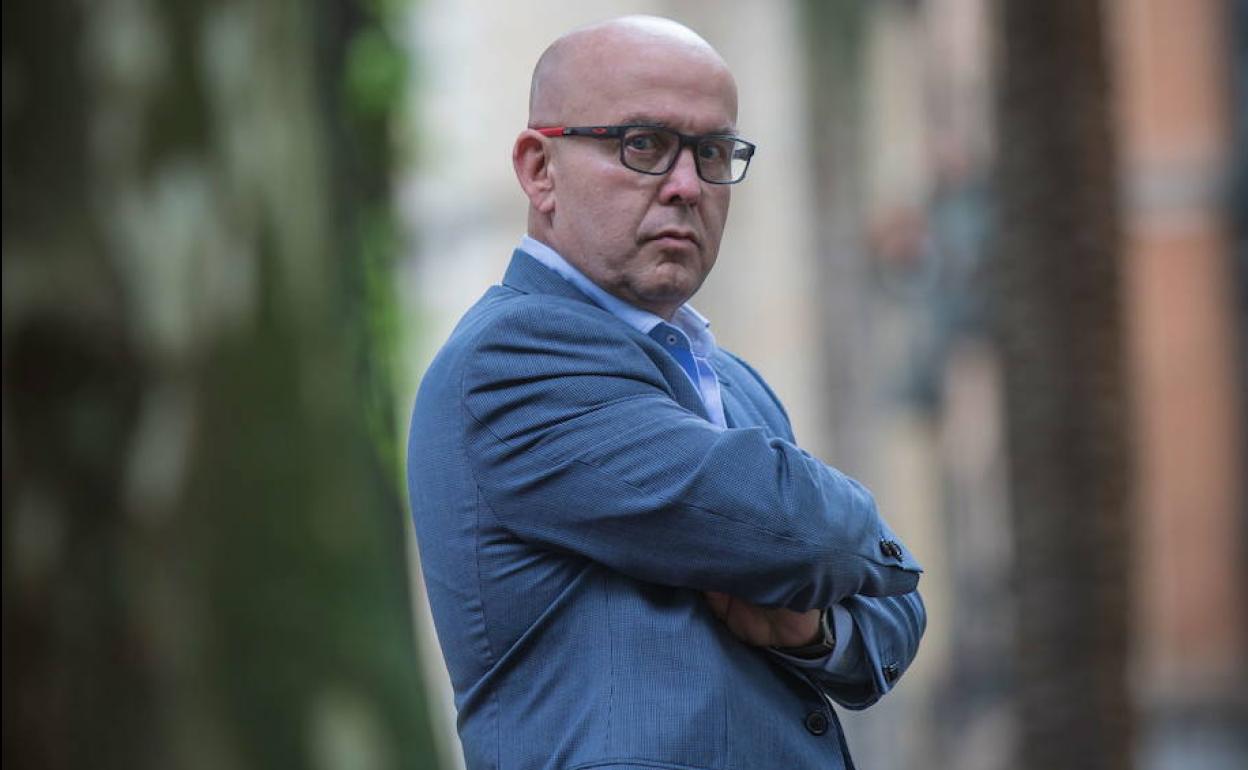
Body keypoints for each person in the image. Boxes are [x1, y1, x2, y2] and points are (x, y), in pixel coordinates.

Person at [408, 15, 925, 770]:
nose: (686, 186)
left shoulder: (737, 385)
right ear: (539, 169)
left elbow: (896, 613)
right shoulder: (510, 359)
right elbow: (797, 530)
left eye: (711, 152)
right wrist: (855, 533)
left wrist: (811, 629)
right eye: (643, 144)